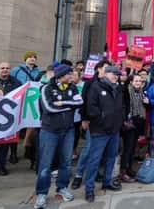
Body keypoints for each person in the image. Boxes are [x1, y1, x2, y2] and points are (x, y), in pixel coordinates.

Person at [33, 64, 83, 209]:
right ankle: (41, 193)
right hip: (50, 131)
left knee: (66, 162)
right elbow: (48, 108)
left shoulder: (72, 87)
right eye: (70, 74)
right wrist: (70, 105)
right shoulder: (46, 88)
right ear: (62, 75)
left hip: (68, 130)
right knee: (45, 165)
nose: (72, 76)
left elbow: (79, 102)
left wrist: (62, 103)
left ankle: (62, 187)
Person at [83, 66, 124, 203]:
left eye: (117, 74)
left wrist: (119, 121)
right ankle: (89, 189)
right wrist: (102, 120)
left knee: (111, 157)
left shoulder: (118, 88)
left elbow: (121, 106)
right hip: (100, 131)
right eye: (113, 74)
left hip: (114, 130)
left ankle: (107, 181)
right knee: (94, 160)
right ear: (106, 74)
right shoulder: (96, 87)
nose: (116, 76)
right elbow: (91, 108)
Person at [71, 59, 111, 190]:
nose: (108, 71)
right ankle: (78, 175)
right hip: (92, 121)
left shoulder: (109, 83)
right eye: (106, 68)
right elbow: (84, 102)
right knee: (88, 149)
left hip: (105, 123)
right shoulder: (90, 83)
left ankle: (94, 173)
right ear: (98, 69)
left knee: (100, 150)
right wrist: (84, 119)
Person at [120, 74, 149, 182]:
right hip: (129, 123)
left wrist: (147, 102)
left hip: (138, 122)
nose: (138, 83)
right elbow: (124, 108)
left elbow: (144, 107)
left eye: (140, 81)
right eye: (136, 81)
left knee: (132, 147)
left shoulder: (141, 92)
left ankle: (129, 169)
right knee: (127, 148)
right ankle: (123, 172)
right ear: (131, 82)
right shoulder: (126, 92)